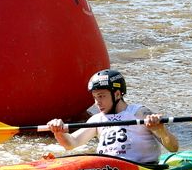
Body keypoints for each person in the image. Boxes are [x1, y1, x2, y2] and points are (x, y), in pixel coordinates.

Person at [47, 69, 178, 164]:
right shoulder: (97, 119)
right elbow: (71, 144)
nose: (97, 102)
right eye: (95, 97)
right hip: (106, 168)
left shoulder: (139, 113)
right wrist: (59, 133)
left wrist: (160, 128)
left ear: (117, 94)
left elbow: (173, 147)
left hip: (144, 169)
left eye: (101, 96)